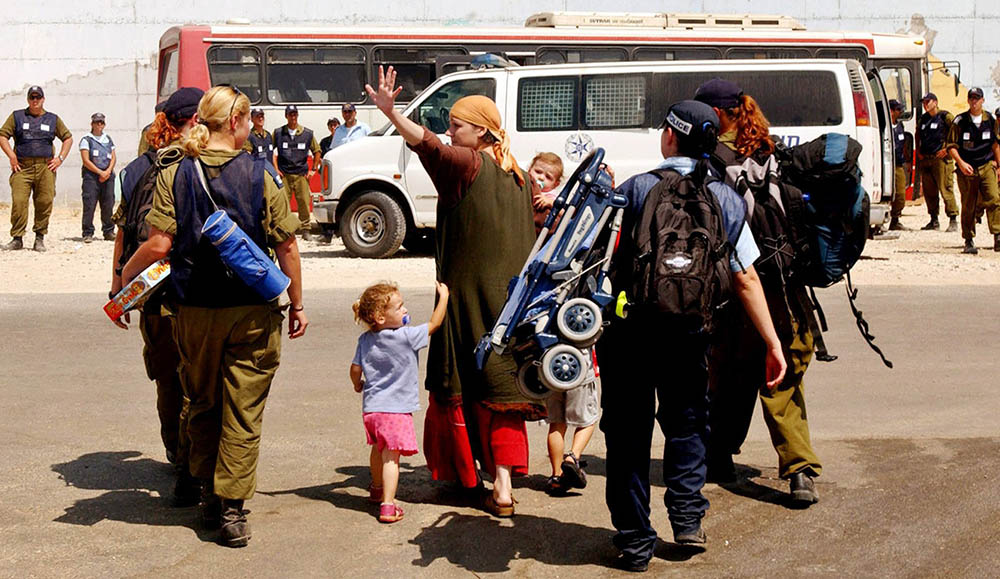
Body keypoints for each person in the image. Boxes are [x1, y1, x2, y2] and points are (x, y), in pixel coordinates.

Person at [598, 99, 786, 570]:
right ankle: (686, 520)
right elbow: (745, 276)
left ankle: (635, 540)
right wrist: (772, 342)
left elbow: (597, 265)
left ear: (668, 136)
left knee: (627, 435)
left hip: (630, 334)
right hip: (690, 333)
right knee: (686, 426)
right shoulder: (724, 199)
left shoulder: (634, 190)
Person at [121, 85, 308, 547]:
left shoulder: (175, 172)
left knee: (201, 402)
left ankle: (206, 492)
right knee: (243, 411)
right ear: (239, 121)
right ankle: (231, 510)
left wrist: (126, 277)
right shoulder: (261, 174)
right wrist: (297, 304)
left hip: (194, 310)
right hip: (250, 310)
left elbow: (159, 243)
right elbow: (286, 247)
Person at [366, 65, 544, 518]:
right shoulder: (521, 176)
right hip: (511, 304)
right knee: (501, 390)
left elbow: (427, 145)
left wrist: (391, 113)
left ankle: (468, 477)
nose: (451, 130)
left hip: (463, 301)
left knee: (460, 384)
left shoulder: (468, 164)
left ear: (482, 132)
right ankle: (502, 486)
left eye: (458, 124)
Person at [696, 78, 824, 507]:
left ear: (717, 115)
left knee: (728, 374)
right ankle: (800, 471)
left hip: (737, 288)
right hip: (788, 290)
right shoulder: (773, 152)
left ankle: (718, 456)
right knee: (780, 378)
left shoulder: (711, 160)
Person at [110, 86, 204, 507]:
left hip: (149, 289)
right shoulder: (199, 162)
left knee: (166, 377)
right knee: (195, 379)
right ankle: (191, 462)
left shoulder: (134, 170)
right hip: (193, 288)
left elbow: (123, 234)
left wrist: (118, 287)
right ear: (197, 119)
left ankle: (174, 449)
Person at [350, 281, 449, 523]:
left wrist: (357, 384)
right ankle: (387, 505)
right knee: (391, 459)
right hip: (396, 411)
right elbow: (435, 324)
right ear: (380, 317)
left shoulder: (365, 340)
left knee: (378, 450)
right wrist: (443, 297)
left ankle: (376, 489)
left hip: (372, 409)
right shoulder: (406, 336)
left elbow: (354, 369)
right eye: (399, 307)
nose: (405, 311)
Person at [1, 85, 73, 252]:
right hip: (22, 168)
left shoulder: (52, 119)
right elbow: (3, 135)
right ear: (28, 100)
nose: (35, 101)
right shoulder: (17, 116)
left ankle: (39, 237)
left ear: (43, 99)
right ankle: (17, 238)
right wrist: (11, 156)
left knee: (44, 202)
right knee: (19, 202)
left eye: (38, 97)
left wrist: (60, 158)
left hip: (45, 167)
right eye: (32, 98)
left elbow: (68, 138)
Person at [946, 87, 1000, 254]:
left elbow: (995, 144)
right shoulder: (960, 121)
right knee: (969, 205)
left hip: (986, 166)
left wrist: (999, 165)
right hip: (967, 168)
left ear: (983, 100)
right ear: (968, 100)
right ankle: (968, 239)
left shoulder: (990, 119)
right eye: (972, 98)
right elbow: (951, 147)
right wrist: (961, 163)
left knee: (994, 199)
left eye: (977, 98)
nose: (974, 101)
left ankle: (998, 236)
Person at [273, 104, 320, 240]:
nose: (293, 117)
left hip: (301, 175)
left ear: (297, 115)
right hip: (285, 175)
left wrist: (313, 170)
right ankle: (285, 230)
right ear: (286, 116)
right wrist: (275, 169)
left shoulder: (307, 134)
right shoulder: (278, 133)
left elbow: (317, 151)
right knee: (283, 203)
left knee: (304, 203)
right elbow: (270, 151)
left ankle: (305, 230)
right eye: (290, 114)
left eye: (295, 114)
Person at [917, 93, 959, 231]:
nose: (925, 104)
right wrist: (918, 150)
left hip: (941, 160)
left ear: (935, 102)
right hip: (926, 159)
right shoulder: (923, 119)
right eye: (924, 102)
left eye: (928, 102)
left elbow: (956, 134)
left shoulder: (945, 117)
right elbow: (918, 135)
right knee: (930, 192)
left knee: (945, 189)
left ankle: (953, 219)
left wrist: (947, 149)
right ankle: (934, 220)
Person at [79, 112, 117, 243]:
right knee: (89, 204)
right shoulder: (86, 139)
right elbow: (86, 160)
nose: (99, 125)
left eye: (101, 122)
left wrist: (108, 171)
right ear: (92, 124)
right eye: (97, 122)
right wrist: (100, 173)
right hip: (91, 177)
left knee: (108, 204)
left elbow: (113, 156)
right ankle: (87, 232)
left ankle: (108, 231)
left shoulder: (108, 139)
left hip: (107, 176)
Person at [527, 152, 564, 233]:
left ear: (555, 184)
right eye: (538, 171)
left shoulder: (551, 196)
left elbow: (565, 213)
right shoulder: (526, 185)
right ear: (529, 170)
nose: (541, 177)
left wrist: (550, 203)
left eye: (548, 177)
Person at [888, 99, 910, 231]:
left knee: (901, 194)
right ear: (891, 111)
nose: (900, 112)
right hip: (887, 164)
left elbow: (904, 146)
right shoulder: (884, 126)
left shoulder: (900, 126)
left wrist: (906, 160)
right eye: (898, 110)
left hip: (898, 164)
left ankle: (895, 219)